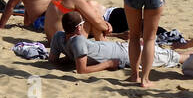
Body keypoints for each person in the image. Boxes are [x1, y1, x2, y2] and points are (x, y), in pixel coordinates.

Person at [52, 11, 180, 75]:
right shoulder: (78, 41)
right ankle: (191, 56)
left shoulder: (58, 37)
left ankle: (192, 53)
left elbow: (52, 61)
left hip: (120, 48)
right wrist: (108, 64)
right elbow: (82, 70)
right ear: (79, 27)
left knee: (164, 53)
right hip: (123, 54)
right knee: (171, 56)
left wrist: (69, 59)